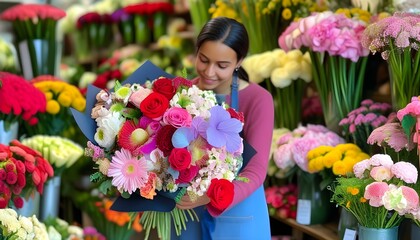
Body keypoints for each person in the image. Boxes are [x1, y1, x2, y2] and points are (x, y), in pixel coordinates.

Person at [172, 17, 275, 240]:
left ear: (239, 61)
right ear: (196, 50)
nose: (209, 72)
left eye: (222, 65)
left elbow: (255, 172)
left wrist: (210, 196)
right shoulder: (180, 95)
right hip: (186, 215)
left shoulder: (258, 99)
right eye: (203, 59)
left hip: (238, 216)